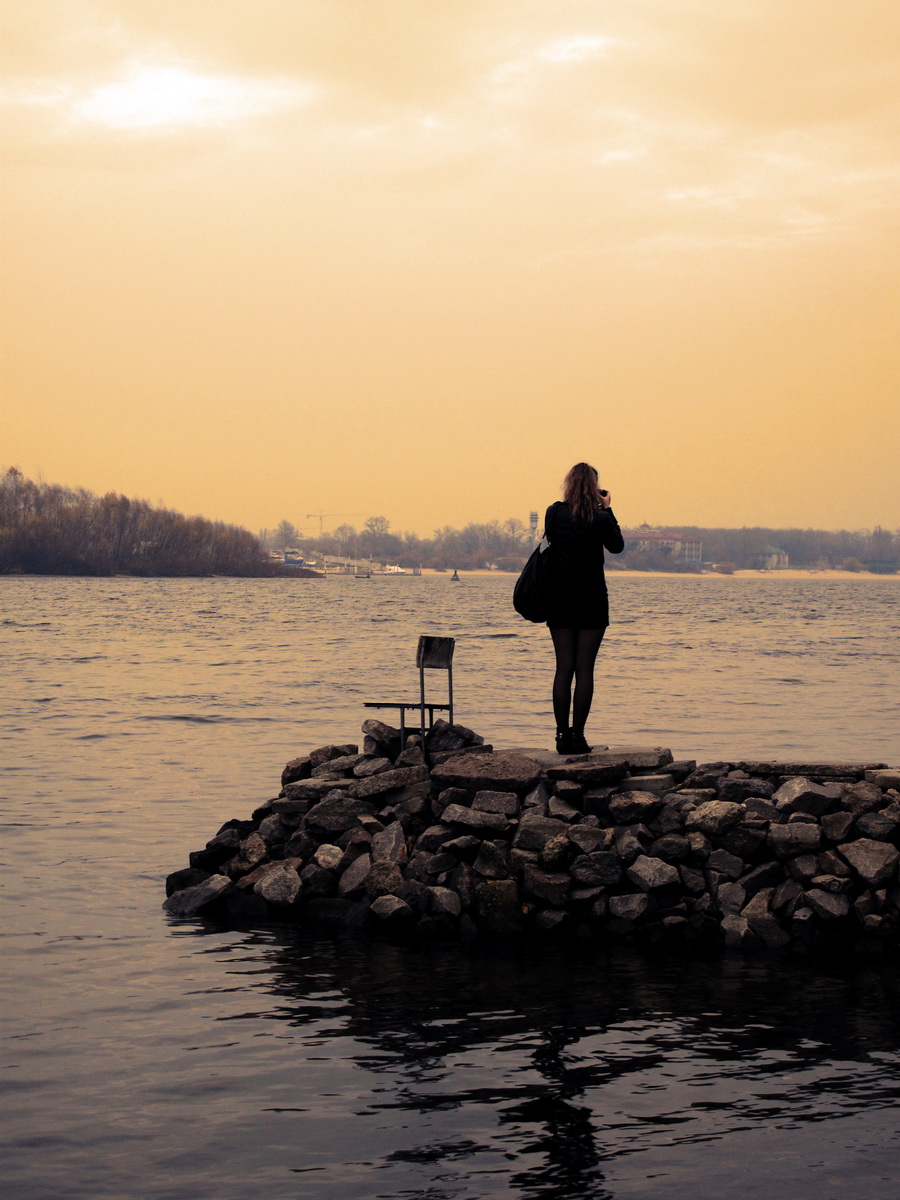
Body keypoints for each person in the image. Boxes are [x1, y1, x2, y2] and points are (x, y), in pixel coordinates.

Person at [543, 462, 624, 754]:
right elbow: (617, 547)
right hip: (591, 598)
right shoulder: (599, 518)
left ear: (568, 483)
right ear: (594, 487)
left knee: (563, 667)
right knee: (584, 669)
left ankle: (561, 736)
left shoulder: (554, 512)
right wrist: (608, 508)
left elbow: (547, 546)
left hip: (559, 598)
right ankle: (579, 736)